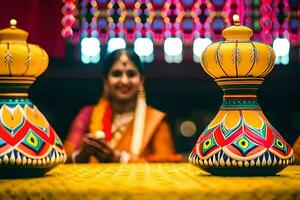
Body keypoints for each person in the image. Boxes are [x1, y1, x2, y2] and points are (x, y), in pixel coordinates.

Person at [64, 49, 181, 163]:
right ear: (105, 81)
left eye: (131, 74)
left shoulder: (155, 121)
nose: (124, 81)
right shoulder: (88, 114)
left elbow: (167, 166)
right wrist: (82, 155)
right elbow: (65, 156)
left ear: (141, 80)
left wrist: (120, 158)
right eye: (116, 74)